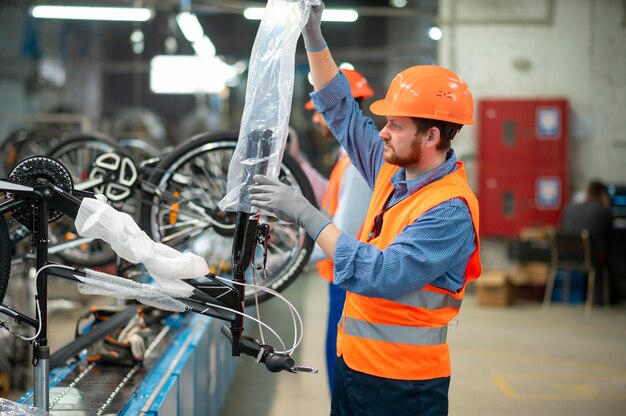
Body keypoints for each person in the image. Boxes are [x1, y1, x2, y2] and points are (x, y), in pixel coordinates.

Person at [249, 2, 481, 415]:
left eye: (395, 125)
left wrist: (306, 213)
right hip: (356, 367)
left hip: (403, 387)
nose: (383, 132)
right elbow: (341, 112)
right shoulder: (394, 175)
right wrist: (314, 36)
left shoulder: (450, 211)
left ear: (431, 136)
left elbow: (382, 274)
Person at [287, 69, 374, 394]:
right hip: (340, 284)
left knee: (342, 378)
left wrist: (291, 262)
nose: (316, 121)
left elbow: (342, 239)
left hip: (348, 286)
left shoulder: (355, 163)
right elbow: (330, 199)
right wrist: (299, 164)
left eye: (320, 112)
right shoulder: (346, 159)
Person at [560, 180, 613, 302]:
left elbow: (561, 229)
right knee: (611, 256)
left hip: (565, 255)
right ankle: (600, 298)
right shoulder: (603, 211)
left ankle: (583, 296)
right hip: (590, 257)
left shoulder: (570, 208)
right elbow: (609, 236)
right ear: (603, 195)